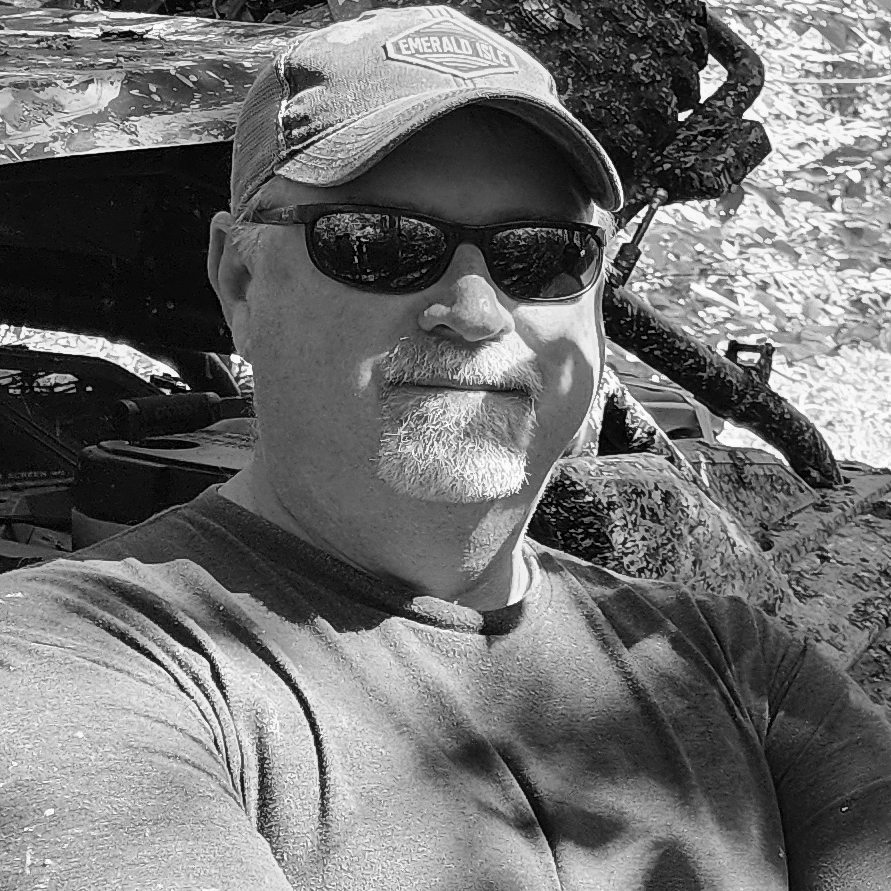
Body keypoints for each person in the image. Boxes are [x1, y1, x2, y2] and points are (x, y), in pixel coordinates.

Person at [2, 5, 890, 889]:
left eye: (541, 255)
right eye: (380, 243)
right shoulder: (70, 662)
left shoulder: (743, 665)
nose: (472, 311)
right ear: (239, 278)